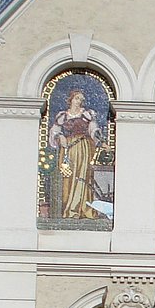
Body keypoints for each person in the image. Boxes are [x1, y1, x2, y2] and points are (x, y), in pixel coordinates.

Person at [48, 86, 103, 219]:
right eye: (76, 98)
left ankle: (81, 208)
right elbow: (54, 131)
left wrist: (100, 139)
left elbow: (93, 130)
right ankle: (68, 208)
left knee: (82, 175)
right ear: (71, 100)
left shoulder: (87, 114)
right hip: (68, 148)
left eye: (81, 99)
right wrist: (60, 136)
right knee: (68, 176)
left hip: (82, 146)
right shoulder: (63, 115)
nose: (78, 101)